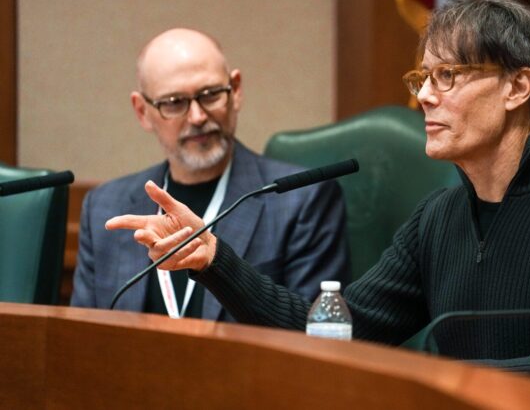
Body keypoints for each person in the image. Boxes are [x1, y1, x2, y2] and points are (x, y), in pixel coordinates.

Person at [106, 0, 530, 403]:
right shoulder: (438, 218)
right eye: (423, 77)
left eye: (447, 76)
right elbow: (332, 331)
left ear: (518, 87)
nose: (425, 95)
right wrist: (214, 261)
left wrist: (446, 378)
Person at [71, 28, 350, 321]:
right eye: (174, 102)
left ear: (236, 91)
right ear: (142, 111)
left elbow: (315, 335)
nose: (197, 117)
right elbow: (82, 341)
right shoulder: (105, 206)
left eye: (211, 95)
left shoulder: (302, 201)